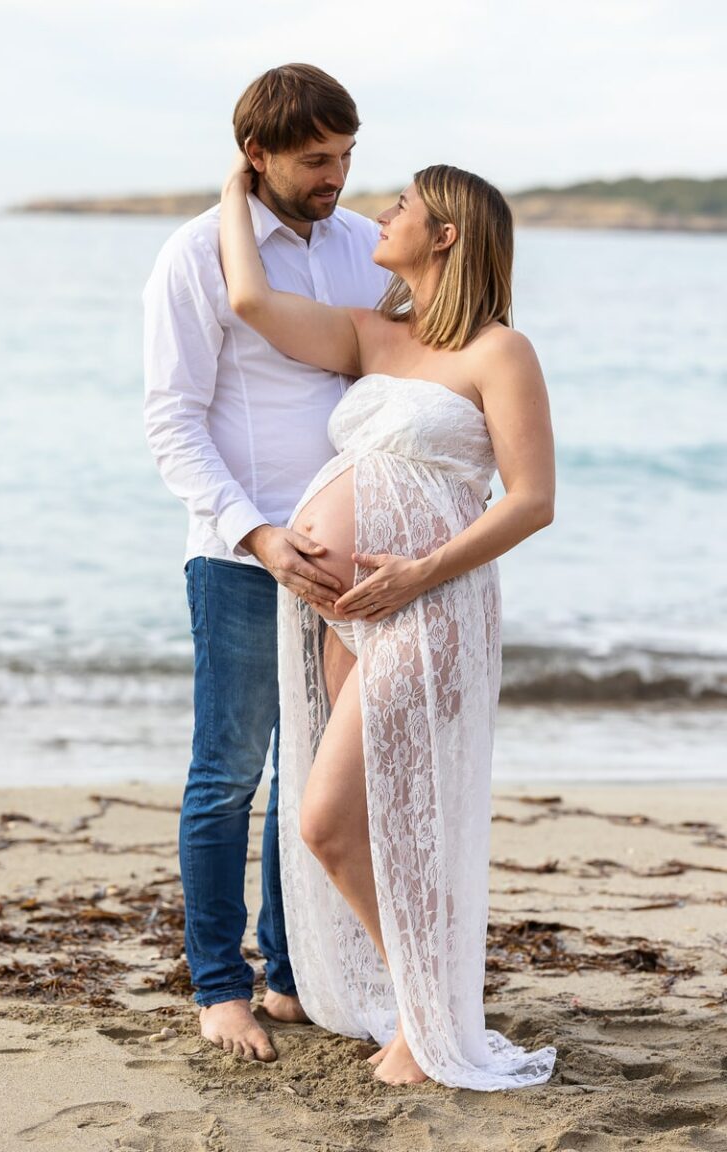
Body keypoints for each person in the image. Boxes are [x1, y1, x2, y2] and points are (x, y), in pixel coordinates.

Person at [218, 157, 558, 1088]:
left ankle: (427, 1017)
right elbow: (249, 300)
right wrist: (236, 183)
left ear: (445, 235)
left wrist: (420, 572)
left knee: (331, 823)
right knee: (378, 825)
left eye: (403, 204)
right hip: (345, 618)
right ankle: (419, 1009)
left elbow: (532, 501)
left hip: (432, 605)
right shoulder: (372, 333)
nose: (383, 211)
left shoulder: (500, 352)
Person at [143, 64, 390, 1062]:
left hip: (346, 562)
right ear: (258, 154)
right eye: (314, 159)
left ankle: (291, 975)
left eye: (345, 155)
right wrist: (256, 533)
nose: (334, 175)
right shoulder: (197, 254)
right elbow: (171, 422)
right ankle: (219, 986)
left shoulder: (369, 243)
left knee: (311, 779)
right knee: (227, 776)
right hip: (242, 559)